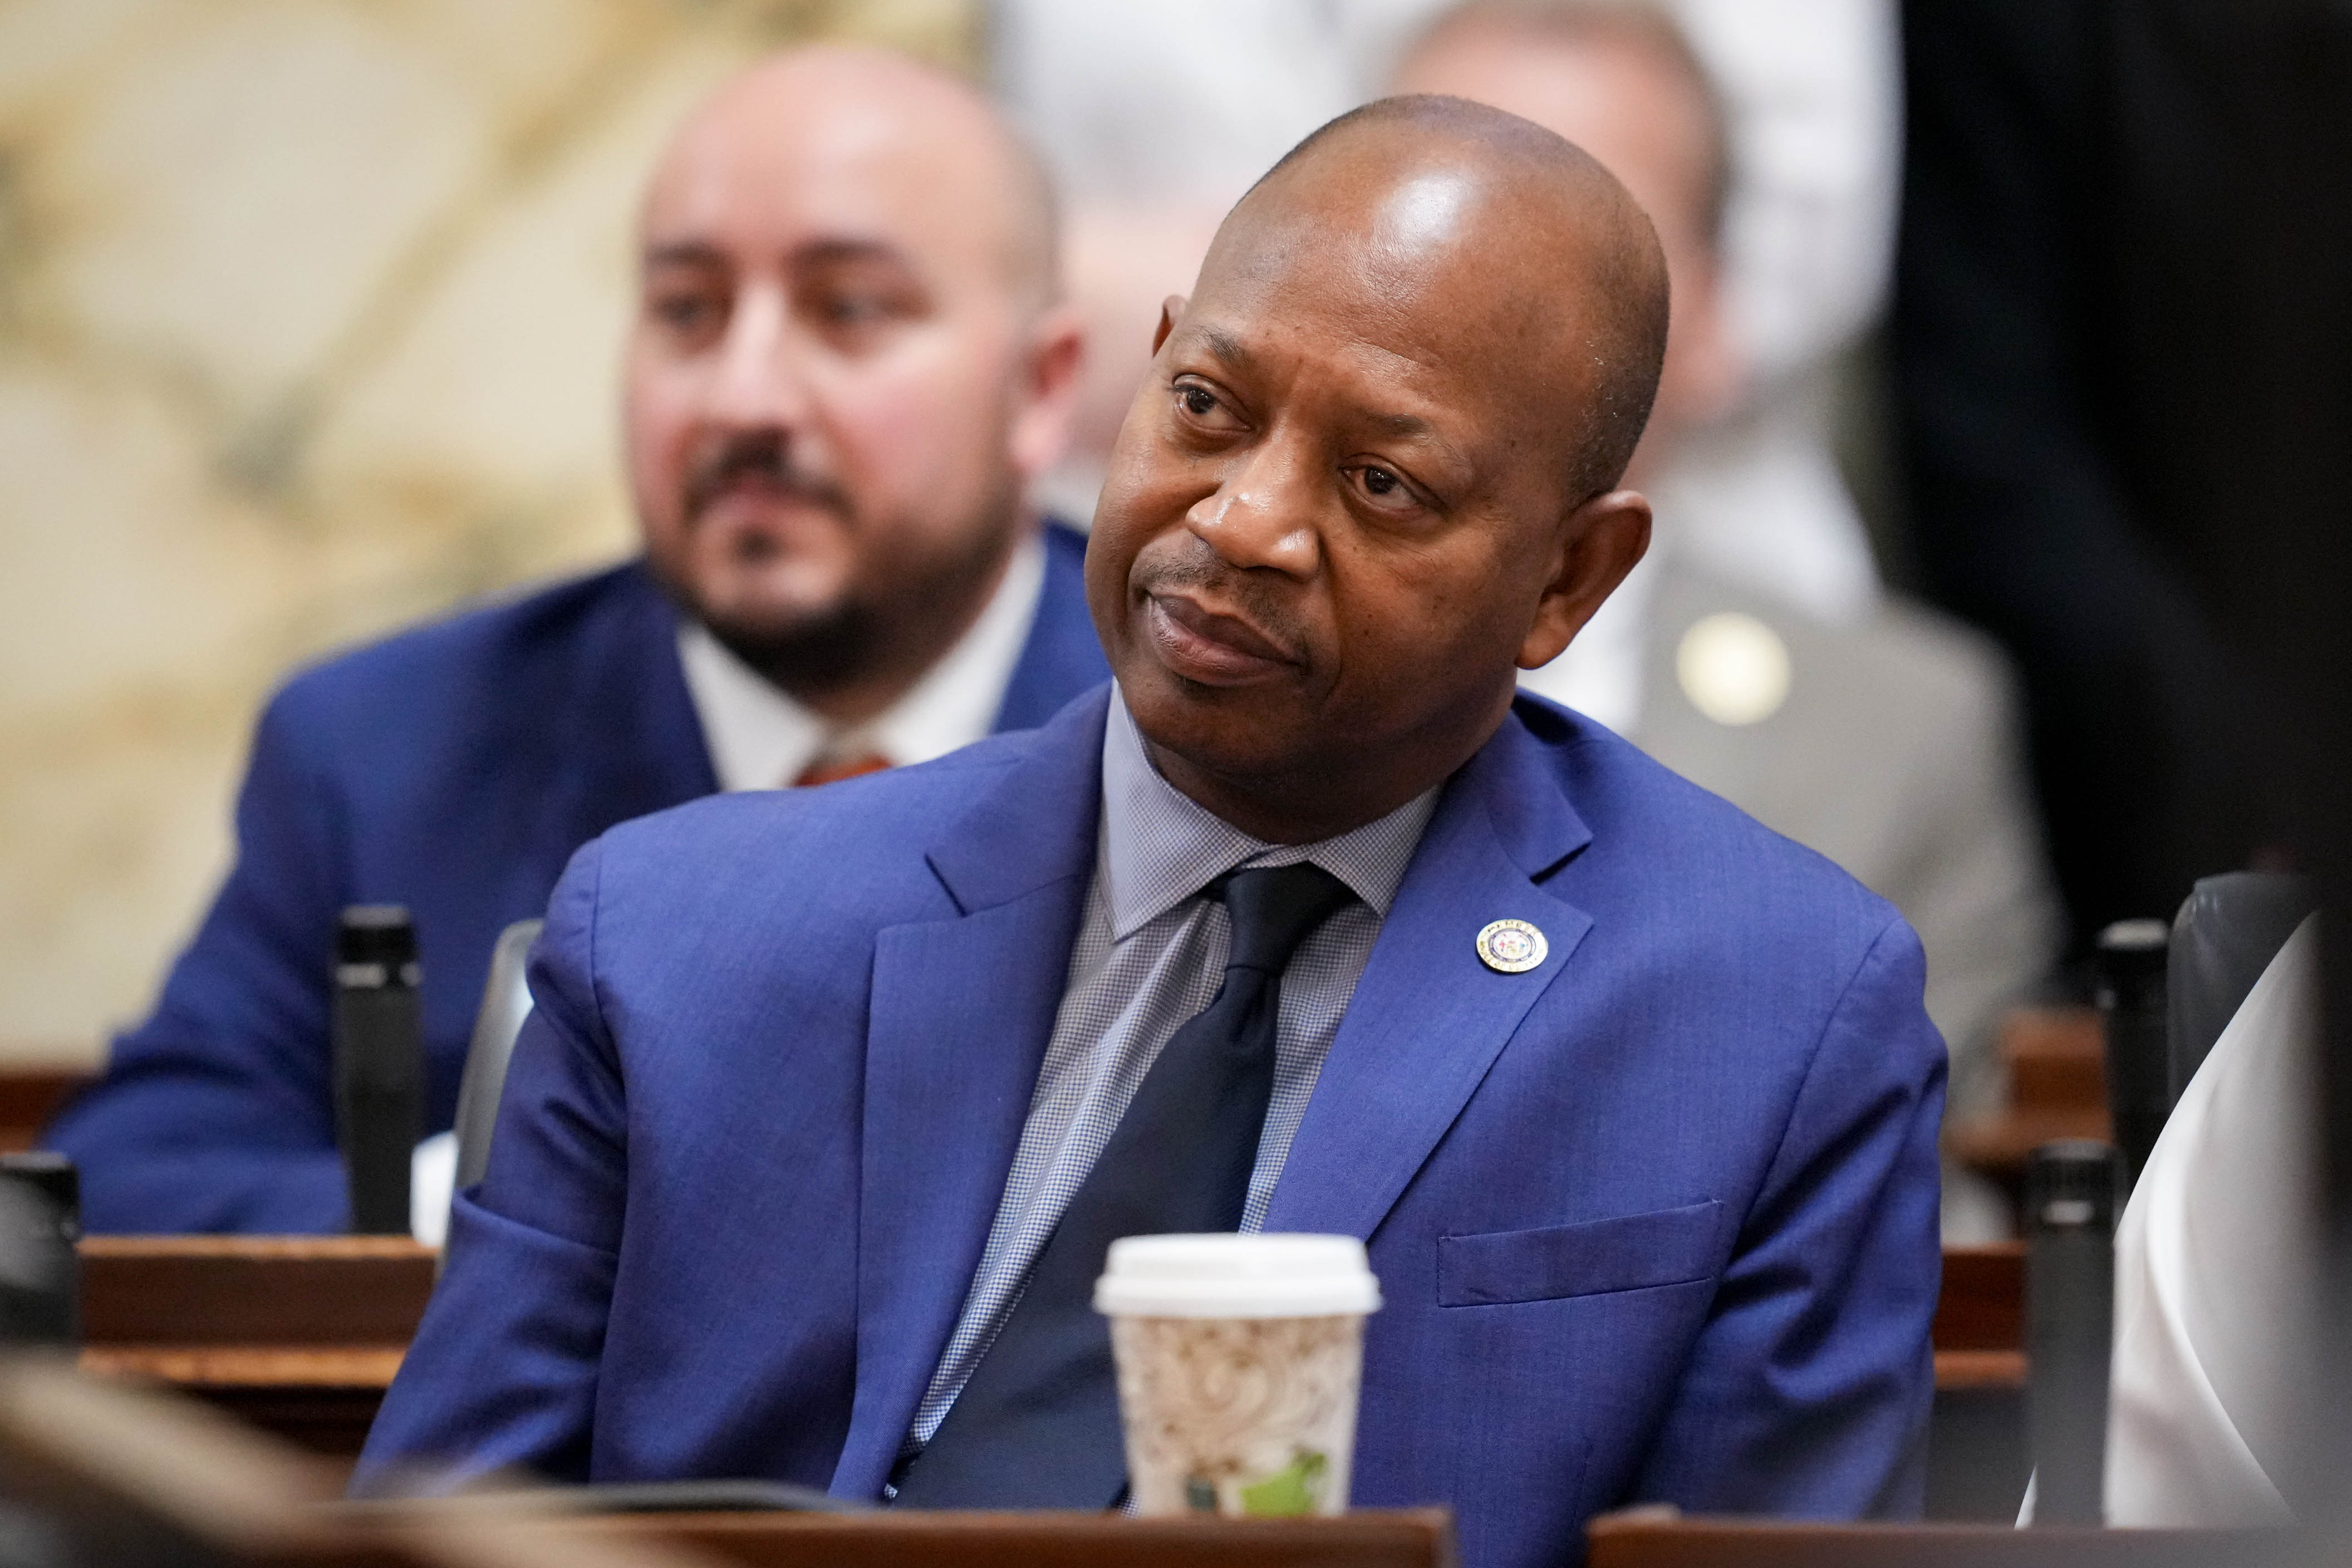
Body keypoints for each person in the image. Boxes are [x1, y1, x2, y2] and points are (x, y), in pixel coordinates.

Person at [358, 96, 1945, 1567]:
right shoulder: (682, 939)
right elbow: (448, 1533)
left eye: (1382, 483)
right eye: (1205, 404)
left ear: (1566, 583)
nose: (1242, 520)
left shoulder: (1773, 1014)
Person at [45, 47, 1101, 1235]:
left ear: (1040, 389)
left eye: (847, 310)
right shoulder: (384, 755)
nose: (741, 397)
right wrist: (501, 1209)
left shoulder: (1194, 738)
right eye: (687, 311)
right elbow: (122, 1195)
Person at [1393, 0, 2058, 1231]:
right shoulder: (1164, 663)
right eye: (1427, 206)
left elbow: (1937, 1226)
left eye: (1580, 227)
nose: (1473, 292)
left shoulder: (1899, 733)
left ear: (1705, 314)